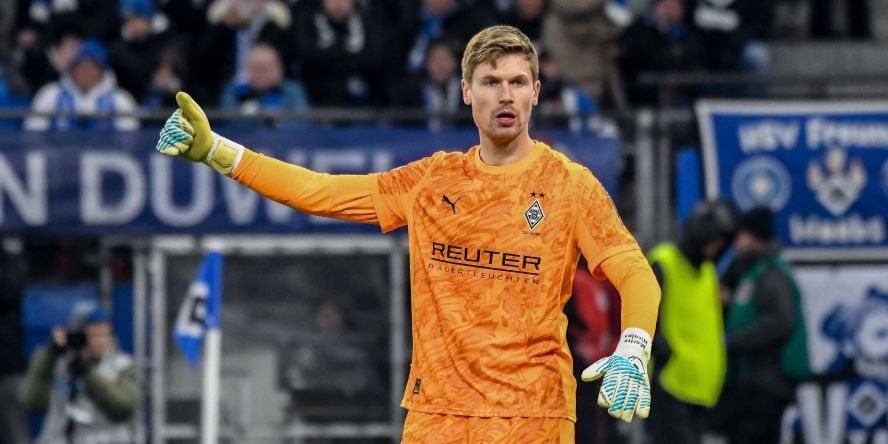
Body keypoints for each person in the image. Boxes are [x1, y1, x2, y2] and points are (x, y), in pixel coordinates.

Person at [155, 25, 660, 441]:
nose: (505, 95)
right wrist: (219, 151)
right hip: (436, 416)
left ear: (536, 93)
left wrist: (634, 348)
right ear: (466, 92)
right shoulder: (431, 181)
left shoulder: (569, 185)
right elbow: (320, 191)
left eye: (517, 81)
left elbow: (635, 272)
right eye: (490, 82)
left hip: (532, 416)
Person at [713, 206, 808, 444]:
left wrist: (732, 341)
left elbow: (781, 322)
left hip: (766, 383)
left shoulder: (771, 274)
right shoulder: (750, 272)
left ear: (755, 236)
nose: (737, 242)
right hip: (749, 381)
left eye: (742, 235)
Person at [646, 200, 736, 444]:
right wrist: (659, 347)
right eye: (713, 241)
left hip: (702, 389)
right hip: (671, 383)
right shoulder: (664, 262)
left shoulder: (707, 272)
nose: (715, 249)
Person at [20, 308, 139, 444]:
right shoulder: (59, 363)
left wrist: (88, 373)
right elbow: (33, 401)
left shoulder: (121, 365)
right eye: (94, 335)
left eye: (106, 334)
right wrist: (49, 354)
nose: (101, 341)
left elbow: (123, 408)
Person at [24, 39, 139, 131]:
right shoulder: (50, 95)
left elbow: (129, 140)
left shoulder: (120, 100)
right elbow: (33, 132)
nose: (85, 72)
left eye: (92, 67)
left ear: (102, 71)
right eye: (81, 66)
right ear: (73, 69)